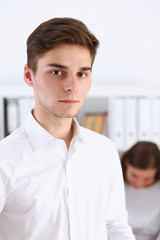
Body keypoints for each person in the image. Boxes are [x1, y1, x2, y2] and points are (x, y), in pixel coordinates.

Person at [0, 17, 135, 240]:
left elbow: (116, 226)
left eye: (82, 73)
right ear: (28, 75)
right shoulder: (5, 159)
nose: (72, 86)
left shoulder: (105, 150)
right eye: (57, 72)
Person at [121, 141, 160, 240]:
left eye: (147, 179)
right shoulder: (114, 183)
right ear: (126, 163)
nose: (139, 184)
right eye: (134, 176)